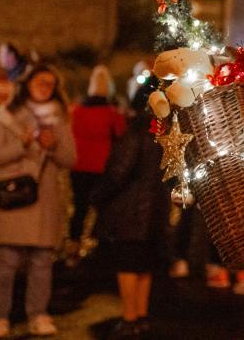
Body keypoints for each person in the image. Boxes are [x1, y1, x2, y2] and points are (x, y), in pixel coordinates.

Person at [0, 64, 76, 338]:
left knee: (41, 263)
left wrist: (53, 144)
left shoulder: (59, 118)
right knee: (5, 263)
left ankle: (38, 314)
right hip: (12, 197)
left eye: (50, 83)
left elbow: (69, 159)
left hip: (44, 200)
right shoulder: (6, 115)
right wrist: (22, 143)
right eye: (40, 81)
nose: (45, 87)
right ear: (28, 84)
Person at [92, 76, 169, 339]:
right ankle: (141, 315)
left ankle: (129, 317)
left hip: (131, 212)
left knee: (127, 266)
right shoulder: (162, 134)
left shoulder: (134, 132)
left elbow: (118, 172)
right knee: (144, 266)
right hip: (155, 210)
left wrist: (97, 196)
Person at [68, 65, 126, 263]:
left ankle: (74, 245)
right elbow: (120, 136)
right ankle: (98, 248)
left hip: (79, 165)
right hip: (101, 166)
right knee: (103, 209)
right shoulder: (112, 113)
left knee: (79, 207)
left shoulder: (77, 111)